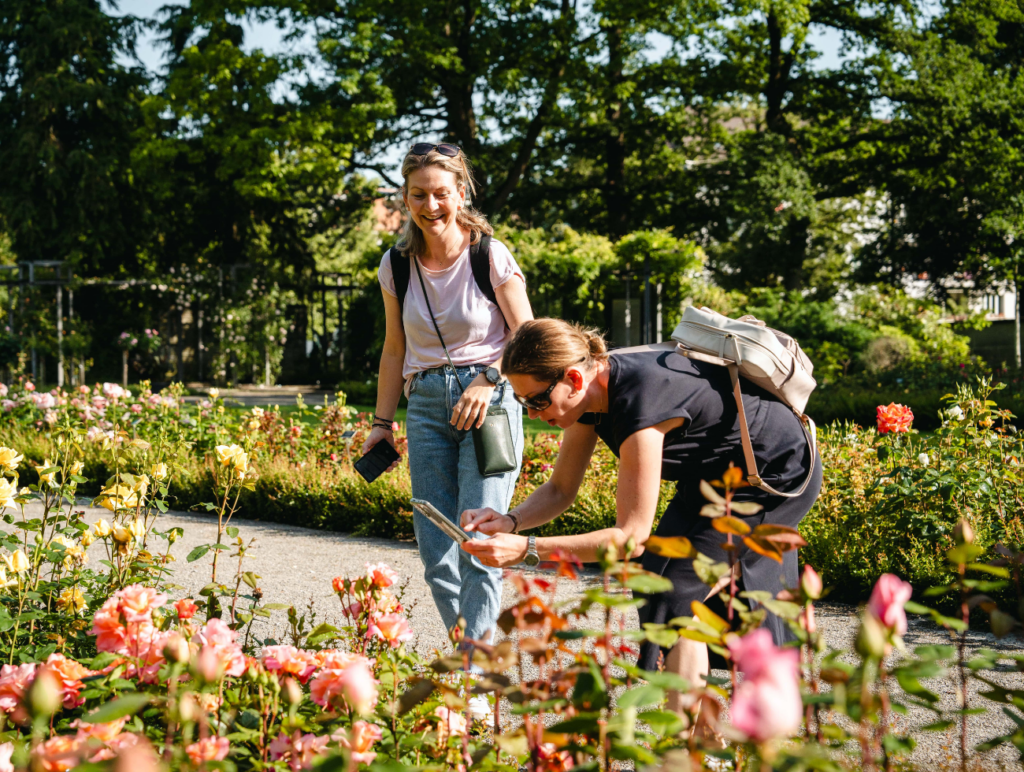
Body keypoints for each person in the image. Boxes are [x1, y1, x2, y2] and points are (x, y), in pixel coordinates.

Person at [459, 318, 822, 709]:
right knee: (663, 585)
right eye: (522, 402)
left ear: (574, 379)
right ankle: (701, 740)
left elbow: (630, 538)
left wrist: (527, 549)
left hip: (773, 473)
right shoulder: (589, 399)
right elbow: (560, 489)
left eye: (536, 400)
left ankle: (688, 745)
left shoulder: (640, 404)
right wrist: (510, 520)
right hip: (713, 475)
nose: (531, 413)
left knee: (674, 589)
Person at [361, 142, 534, 663]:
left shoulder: (489, 254)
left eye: (441, 193)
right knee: (437, 550)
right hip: (429, 405)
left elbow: (527, 335)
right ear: (405, 197)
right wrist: (381, 423)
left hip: (490, 404)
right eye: (418, 194)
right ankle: (471, 656)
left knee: (478, 541)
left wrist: (487, 379)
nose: (430, 205)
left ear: (461, 193)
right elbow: (395, 348)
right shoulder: (396, 265)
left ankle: (477, 674)